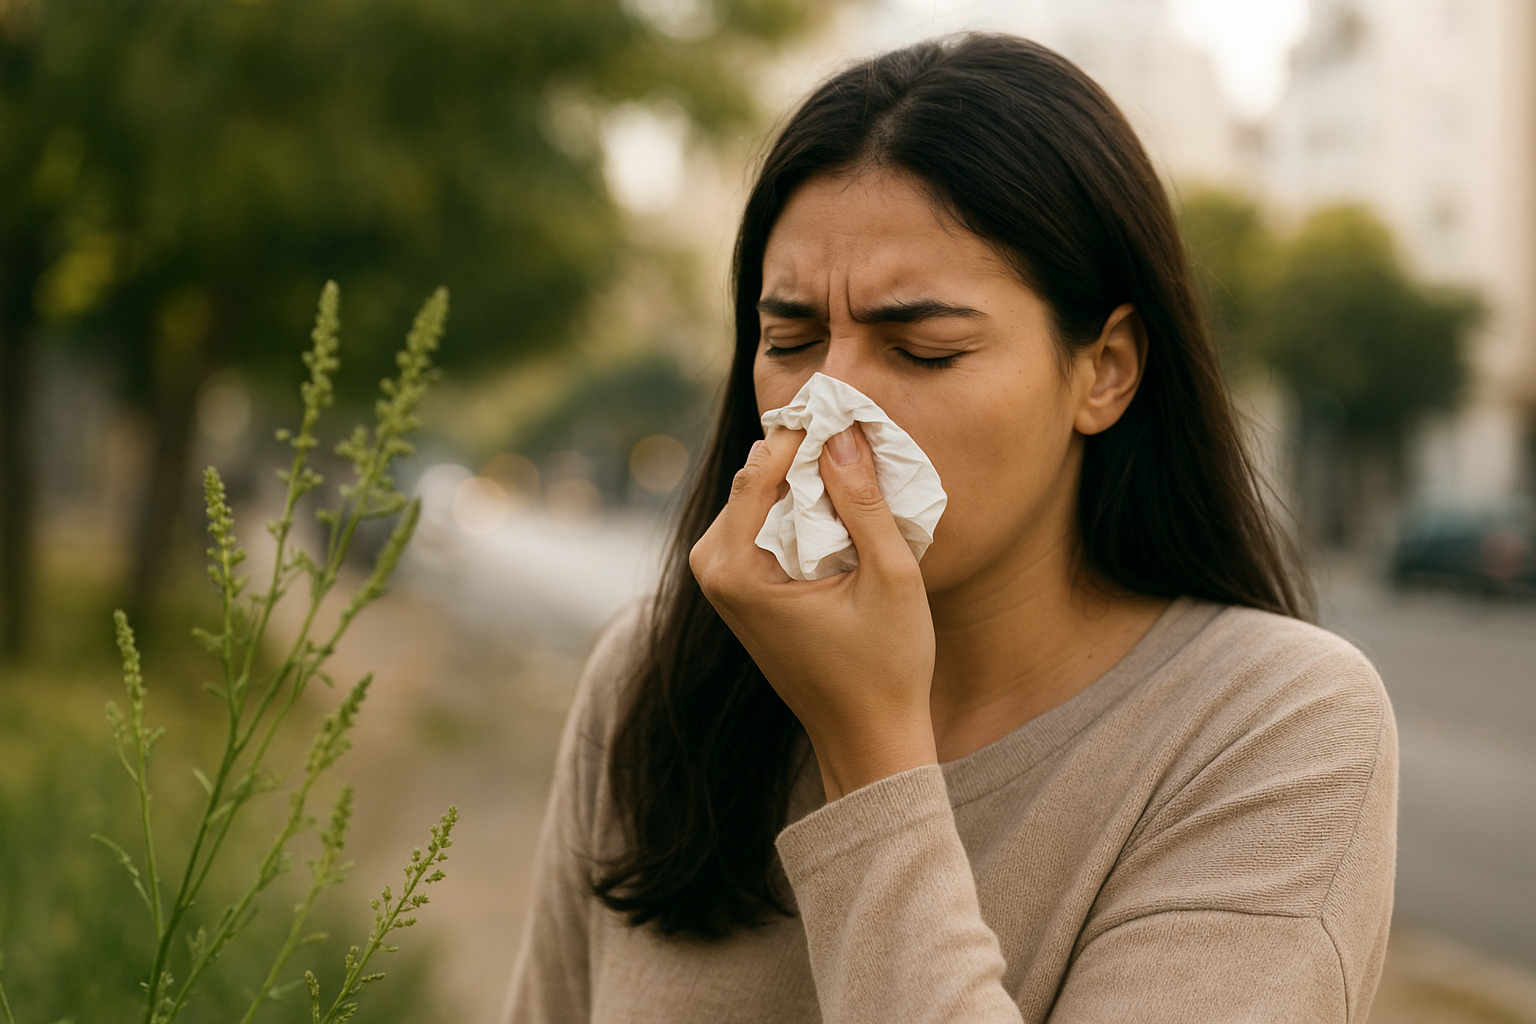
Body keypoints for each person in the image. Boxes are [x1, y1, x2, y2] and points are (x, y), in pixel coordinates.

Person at [503, 33, 1396, 1024]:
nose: (830, 403)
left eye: (923, 350)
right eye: (790, 341)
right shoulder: (652, 678)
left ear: (1104, 369)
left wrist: (870, 751)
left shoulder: (1269, 725)